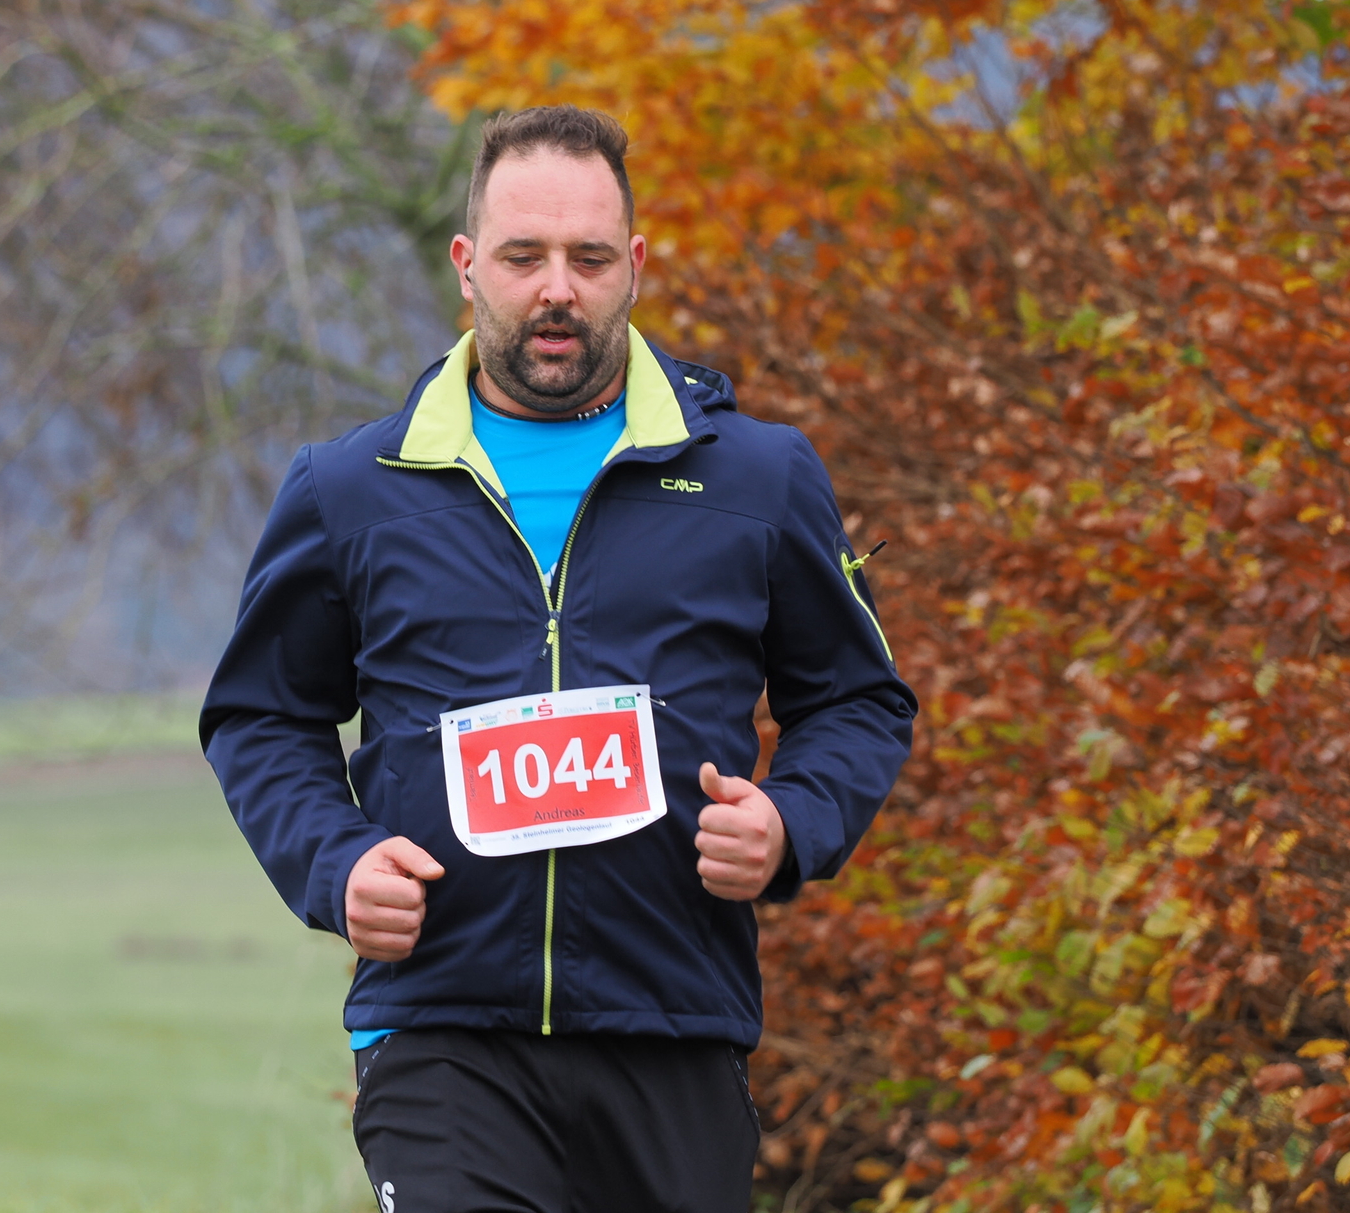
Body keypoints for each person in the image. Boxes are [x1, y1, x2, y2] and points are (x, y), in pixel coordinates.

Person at [199, 105, 915, 1213]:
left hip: (673, 1024)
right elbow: (261, 717)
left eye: (588, 259)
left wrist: (790, 822)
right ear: (466, 266)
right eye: (522, 257)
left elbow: (859, 700)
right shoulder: (350, 492)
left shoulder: (757, 480)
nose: (556, 290)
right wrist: (334, 864)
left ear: (634, 267)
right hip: (441, 1030)